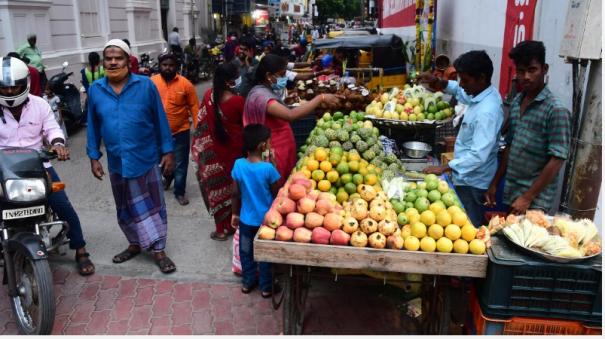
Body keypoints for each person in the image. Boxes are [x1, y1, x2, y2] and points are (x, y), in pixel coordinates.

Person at [87, 39, 177, 274]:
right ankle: (135, 243)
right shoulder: (96, 89)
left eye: (118, 57)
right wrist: (94, 156)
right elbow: (93, 126)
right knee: (124, 206)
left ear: (129, 61)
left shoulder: (145, 86)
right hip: (117, 161)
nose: (113, 62)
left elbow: (160, 120)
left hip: (145, 159)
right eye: (109, 58)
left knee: (153, 205)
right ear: (104, 62)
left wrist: (168, 151)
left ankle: (158, 249)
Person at [0, 56, 95, 275]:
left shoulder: (40, 104)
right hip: (3, 169)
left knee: (62, 204)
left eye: (15, 87)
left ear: (25, 84)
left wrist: (58, 143)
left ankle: (80, 249)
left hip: (37, 165)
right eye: (5, 88)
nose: (10, 92)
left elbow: (52, 129)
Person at [485, 41, 571, 215]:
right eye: (521, 71)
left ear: (545, 69)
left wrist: (527, 197)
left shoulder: (556, 110)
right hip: (512, 192)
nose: (526, 77)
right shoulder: (517, 102)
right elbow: (510, 145)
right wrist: (495, 182)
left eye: (532, 70)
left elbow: (557, 159)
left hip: (535, 200)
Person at [420, 50, 504, 227]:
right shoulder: (481, 93)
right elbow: (461, 92)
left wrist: (444, 167)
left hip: (473, 183)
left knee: (468, 227)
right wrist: (438, 82)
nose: (462, 85)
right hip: (466, 177)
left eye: (465, 80)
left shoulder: (487, 112)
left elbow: (478, 155)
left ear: (481, 78)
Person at [243, 54, 342, 183]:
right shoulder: (260, 96)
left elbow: (274, 110)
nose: (285, 78)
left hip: (279, 147)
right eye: (282, 74)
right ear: (268, 75)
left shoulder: (263, 91)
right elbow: (291, 115)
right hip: (274, 152)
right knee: (275, 188)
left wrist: (284, 102)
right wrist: (320, 98)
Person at [191, 62, 244, 241]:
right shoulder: (238, 101)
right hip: (233, 153)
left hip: (212, 154)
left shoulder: (208, 96)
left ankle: (221, 230)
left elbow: (200, 124)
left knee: (216, 190)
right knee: (235, 190)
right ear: (230, 81)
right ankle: (234, 225)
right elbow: (245, 126)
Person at [231, 124, 280, 297]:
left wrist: (235, 214)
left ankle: (247, 282)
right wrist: (274, 164)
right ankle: (266, 288)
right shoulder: (268, 169)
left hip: (245, 220)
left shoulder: (238, 165)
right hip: (265, 222)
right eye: (269, 142)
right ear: (262, 146)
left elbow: (235, 193)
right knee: (264, 254)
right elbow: (277, 193)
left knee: (246, 253)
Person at [151, 52, 199, 206]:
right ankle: (167, 178)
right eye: (164, 65)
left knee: (180, 163)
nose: (167, 68)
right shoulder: (152, 83)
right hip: (156, 132)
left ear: (176, 67)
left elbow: (194, 106)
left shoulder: (185, 84)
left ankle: (179, 191)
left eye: (171, 65)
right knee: (158, 161)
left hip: (180, 131)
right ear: (160, 66)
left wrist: (198, 127)